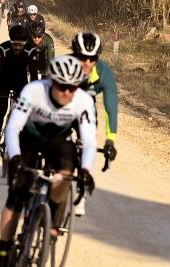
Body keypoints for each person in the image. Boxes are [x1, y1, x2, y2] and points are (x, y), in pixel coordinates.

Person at [0, 55, 97, 267]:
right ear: (51, 81)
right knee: (17, 195)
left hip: (59, 140)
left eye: (73, 87)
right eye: (62, 86)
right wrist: (14, 157)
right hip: (30, 137)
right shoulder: (34, 91)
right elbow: (13, 128)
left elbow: (88, 141)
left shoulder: (83, 100)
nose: (67, 92)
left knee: (67, 173)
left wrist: (86, 169)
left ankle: (52, 220)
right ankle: (3, 253)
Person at [71, 32, 118, 217]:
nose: (87, 63)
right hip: (62, 109)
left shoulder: (105, 74)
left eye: (92, 59)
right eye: (82, 57)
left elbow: (110, 109)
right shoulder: (63, 66)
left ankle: (80, 191)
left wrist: (110, 140)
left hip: (87, 110)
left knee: (87, 143)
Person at [0, 26, 37, 154]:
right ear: (10, 42)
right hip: (3, 81)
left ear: (25, 43)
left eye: (20, 45)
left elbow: (33, 75)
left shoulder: (31, 51)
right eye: (14, 45)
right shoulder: (2, 49)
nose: (17, 47)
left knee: (22, 112)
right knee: (2, 110)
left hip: (20, 82)